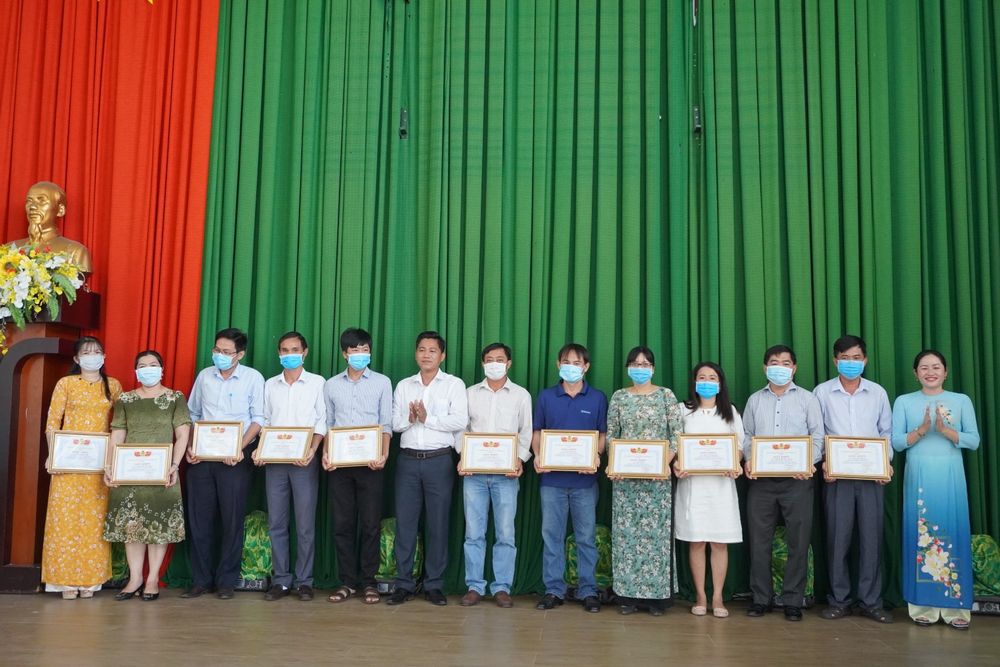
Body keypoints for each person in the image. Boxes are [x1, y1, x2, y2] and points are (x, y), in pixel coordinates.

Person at [891, 350, 980, 629]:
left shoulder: (961, 400)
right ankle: (923, 607)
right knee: (920, 536)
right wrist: (922, 429)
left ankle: (956, 609)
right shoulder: (904, 401)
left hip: (951, 476)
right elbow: (896, 443)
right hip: (918, 476)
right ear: (915, 373)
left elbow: (973, 440)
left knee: (953, 533)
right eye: (924, 367)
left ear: (946, 371)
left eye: (936, 367)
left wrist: (946, 431)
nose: (930, 372)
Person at [813, 335, 893, 623]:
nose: (851, 363)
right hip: (836, 476)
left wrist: (885, 463)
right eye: (845, 358)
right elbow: (818, 432)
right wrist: (824, 461)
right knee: (838, 539)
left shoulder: (878, 393)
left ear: (865, 360)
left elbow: (886, 432)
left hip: (872, 476)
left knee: (872, 539)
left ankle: (871, 601)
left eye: (856, 358)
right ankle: (839, 600)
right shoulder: (822, 392)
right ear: (835, 361)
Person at [182, 328, 265, 600]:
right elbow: (193, 414)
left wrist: (239, 447)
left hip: (236, 456)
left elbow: (258, 419)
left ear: (240, 354)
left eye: (227, 352)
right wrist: (191, 446)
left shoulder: (253, 378)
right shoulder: (205, 376)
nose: (220, 355)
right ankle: (201, 580)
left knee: (232, 519)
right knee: (199, 519)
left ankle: (227, 581)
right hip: (203, 456)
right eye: (217, 350)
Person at [742, 344, 824, 621]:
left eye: (786, 363)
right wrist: (749, 459)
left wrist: (807, 463)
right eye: (774, 362)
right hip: (761, 482)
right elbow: (747, 436)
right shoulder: (755, 400)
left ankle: (793, 600)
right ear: (765, 367)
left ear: (794, 368)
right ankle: (760, 598)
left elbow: (817, 437)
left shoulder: (808, 399)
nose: (780, 367)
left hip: (797, 481)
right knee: (759, 541)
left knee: (798, 542)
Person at [387, 331, 468, 606]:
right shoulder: (404, 385)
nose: (426, 355)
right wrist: (411, 418)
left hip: (439, 460)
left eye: (432, 350)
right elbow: (395, 423)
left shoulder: (454, 385)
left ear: (442, 356)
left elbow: (459, 420)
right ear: (415, 353)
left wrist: (427, 418)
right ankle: (403, 583)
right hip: (408, 461)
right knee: (405, 524)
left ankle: (434, 584)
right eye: (421, 349)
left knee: (438, 523)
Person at [103, 350, 191, 601]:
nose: (148, 369)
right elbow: (118, 433)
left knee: (158, 526)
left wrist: (174, 465)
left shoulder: (175, 397)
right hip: (129, 472)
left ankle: (152, 578)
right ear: (136, 371)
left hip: (162, 472)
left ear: (162, 369)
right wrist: (110, 465)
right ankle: (135, 578)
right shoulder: (126, 399)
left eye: (153, 364)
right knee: (132, 526)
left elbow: (182, 434)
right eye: (142, 365)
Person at [42, 337, 122, 599]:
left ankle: (91, 581)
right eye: (86, 353)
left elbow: (119, 425)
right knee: (64, 520)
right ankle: (63, 581)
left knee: (93, 522)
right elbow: (53, 422)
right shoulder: (65, 384)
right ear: (77, 359)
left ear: (104, 356)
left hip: (98, 465)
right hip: (68, 462)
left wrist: (113, 460)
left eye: (97, 352)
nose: (92, 356)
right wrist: (53, 454)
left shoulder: (113, 386)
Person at [606, 346, 682, 616]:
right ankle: (627, 596)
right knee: (627, 537)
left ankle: (656, 599)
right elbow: (611, 435)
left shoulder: (666, 396)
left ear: (653, 368)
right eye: (635, 363)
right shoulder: (619, 397)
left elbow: (676, 435)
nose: (640, 368)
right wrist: (615, 463)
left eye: (645, 363)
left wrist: (663, 463)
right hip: (625, 481)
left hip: (657, 480)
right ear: (628, 367)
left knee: (656, 538)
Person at [533, 343, 607, 614]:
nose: (571, 367)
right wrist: (538, 455)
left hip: (584, 482)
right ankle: (554, 590)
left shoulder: (597, 398)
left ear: (586, 367)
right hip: (551, 481)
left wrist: (596, 456)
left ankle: (588, 590)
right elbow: (537, 432)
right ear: (558, 364)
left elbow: (602, 435)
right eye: (566, 362)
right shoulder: (546, 396)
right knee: (552, 537)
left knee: (586, 538)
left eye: (577, 363)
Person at [458, 343, 532, 608]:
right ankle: (474, 586)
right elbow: (461, 430)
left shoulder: (521, 395)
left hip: (506, 475)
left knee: (505, 533)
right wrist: (464, 456)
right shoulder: (469, 394)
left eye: (500, 359)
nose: (494, 363)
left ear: (509, 363)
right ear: (483, 363)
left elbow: (526, 432)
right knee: (473, 533)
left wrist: (519, 459)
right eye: (489, 359)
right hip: (474, 474)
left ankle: (502, 587)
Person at [322, 328, 392, 605]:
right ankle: (347, 582)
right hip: (339, 464)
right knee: (342, 524)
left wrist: (384, 454)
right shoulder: (331, 385)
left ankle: (369, 582)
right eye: (355, 350)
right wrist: (326, 454)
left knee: (370, 524)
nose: (360, 354)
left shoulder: (383, 382)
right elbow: (328, 424)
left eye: (365, 350)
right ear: (344, 354)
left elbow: (385, 424)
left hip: (371, 464)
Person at [256, 331, 326, 602]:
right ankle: (281, 580)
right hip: (275, 462)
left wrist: (312, 450)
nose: (289, 355)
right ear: (279, 353)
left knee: (305, 524)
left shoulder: (317, 383)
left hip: (303, 461)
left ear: (305, 352)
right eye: (284, 350)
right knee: (277, 522)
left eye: (295, 350)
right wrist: (261, 450)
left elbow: (322, 421)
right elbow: (265, 420)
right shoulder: (270, 384)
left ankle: (305, 581)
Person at [674, 361, 744, 618]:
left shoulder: (730, 411)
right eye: (701, 377)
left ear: (720, 383)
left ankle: (718, 597)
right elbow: (675, 444)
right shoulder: (683, 410)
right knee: (696, 541)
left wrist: (735, 462)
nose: (706, 381)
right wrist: (677, 463)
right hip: (692, 485)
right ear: (694, 382)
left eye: (712, 377)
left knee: (719, 542)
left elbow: (739, 446)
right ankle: (701, 596)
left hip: (721, 486)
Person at [16, 181, 92, 272]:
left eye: (42, 201)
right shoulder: (9, 249)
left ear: (60, 210)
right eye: (29, 201)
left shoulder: (75, 251)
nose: (32, 207)